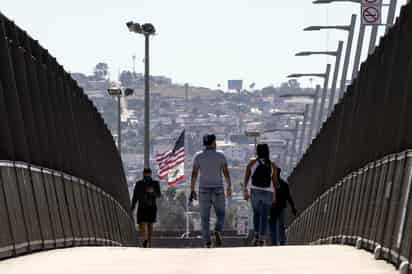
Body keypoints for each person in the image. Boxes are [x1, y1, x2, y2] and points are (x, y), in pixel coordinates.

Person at [190, 134, 232, 248]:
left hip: (203, 190)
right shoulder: (221, 155)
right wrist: (229, 186)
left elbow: (194, 174)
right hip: (218, 188)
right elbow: (226, 172)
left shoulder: (198, 156)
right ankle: (218, 229)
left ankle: (207, 242)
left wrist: (192, 189)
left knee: (204, 217)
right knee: (221, 214)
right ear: (213, 143)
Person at [243, 144, 278, 246]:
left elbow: (247, 177)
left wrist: (245, 190)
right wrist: (275, 195)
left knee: (256, 213)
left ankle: (257, 235)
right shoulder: (272, 165)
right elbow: (275, 183)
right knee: (265, 215)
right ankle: (262, 238)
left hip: (255, 191)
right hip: (268, 192)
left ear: (257, 151)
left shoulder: (252, 162)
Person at [131, 168, 161, 248]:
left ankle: (149, 242)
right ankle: (145, 239)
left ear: (150, 174)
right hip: (142, 206)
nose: (147, 175)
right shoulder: (139, 183)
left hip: (151, 206)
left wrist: (153, 192)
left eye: (148, 173)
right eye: (146, 173)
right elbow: (135, 196)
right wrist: (133, 206)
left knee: (150, 224)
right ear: (143, 174)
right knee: (141, 223)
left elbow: (158, 195)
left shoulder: (155, 183)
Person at [269, 167, 297, 246]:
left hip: (272, 208)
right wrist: (293, 207)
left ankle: (274, 241)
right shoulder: (284, 184)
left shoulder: (270, 184)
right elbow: (288, 197)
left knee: (273, 224)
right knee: (281, 225)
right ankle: (281, 241)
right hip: (281, 207)